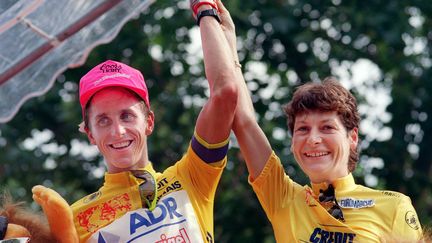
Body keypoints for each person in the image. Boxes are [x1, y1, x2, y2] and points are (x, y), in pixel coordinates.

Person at [214, 4, 424, 242]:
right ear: (293, 143)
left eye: (327, 127)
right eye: (302, 129)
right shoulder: (283, 199)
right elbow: (243, 120)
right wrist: (228, 41)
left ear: (352, 137)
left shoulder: (394, 207)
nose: (313, 139)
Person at [69, 0, 238, 242]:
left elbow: (225, 94)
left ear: (149, 122)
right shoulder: (73, 219)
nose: (118, 131)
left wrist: (205, 9)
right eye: (103, 120)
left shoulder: (191, 176)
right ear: (90, 134)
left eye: (127, 115)